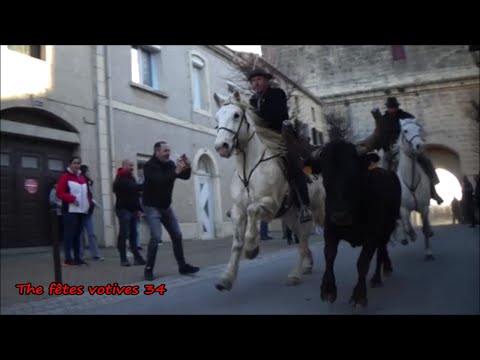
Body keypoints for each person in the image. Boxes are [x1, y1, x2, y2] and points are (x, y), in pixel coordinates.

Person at [248, 68, 312, 223]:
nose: (256, 83)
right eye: (253, 81)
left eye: (259, 79)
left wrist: (256, 115)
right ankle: (244, 199)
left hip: (280, 135)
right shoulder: (251, 101)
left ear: (266, 81)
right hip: (262, 138)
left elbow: (276, 115)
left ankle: (304, 205)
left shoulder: (277, 94)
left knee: (293, 162)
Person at [357, 97, 443, 205]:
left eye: (394, 107)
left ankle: (433, 191)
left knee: (426, 161)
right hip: (390, 150)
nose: (392, 109)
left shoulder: (407, 117)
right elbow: (377, 135)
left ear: (397, 107)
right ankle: (386, 196)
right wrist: (368, 146)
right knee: (384, 168)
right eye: (390, 108)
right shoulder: (383, 121)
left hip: (408, 149)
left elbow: (415, 129)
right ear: (388, 108)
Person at [143, 141, 199, 281]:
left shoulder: (169, 165)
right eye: (165, 151)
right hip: (152, 207)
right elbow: (160, 182)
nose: (168, 153)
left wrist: (187, 167)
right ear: (157, 152)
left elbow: (184, 177)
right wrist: (176, 171)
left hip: (166, 207)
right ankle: (148, 269)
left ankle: (182, 266)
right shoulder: (149, 166)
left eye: (169, 150)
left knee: (177, 235)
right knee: (156, 237)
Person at [56, 156, 91, 266]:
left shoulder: (82, 178)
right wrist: (72, 199)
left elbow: (87, 193)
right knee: (69, 235)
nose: (77, 165)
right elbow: (59, 192)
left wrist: (89, 202)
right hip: (70, 210)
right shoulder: (65, 177)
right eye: (74, 163)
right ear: (70, 164)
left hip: (82, 210)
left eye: (78, 163)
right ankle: (68, 258)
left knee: (78, 235)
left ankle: (77, 257)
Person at [113, 159, 146, 266]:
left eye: (133, 166)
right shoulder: (120, 178)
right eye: (130, 165)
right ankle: (123, 258)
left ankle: (137, 257)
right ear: (124, 166)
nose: (132, 167)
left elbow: (135, 195)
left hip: (132, 210)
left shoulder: (131, 177)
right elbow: (133, 188)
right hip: (123, 209)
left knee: (133, 234)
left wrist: (139, 209)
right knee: (124, 233)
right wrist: (146, 185)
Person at [79, 164, 104, 261]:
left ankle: (95, 254)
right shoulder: (81, 182)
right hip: (81, 211)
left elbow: (90, 196)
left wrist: (94, 203)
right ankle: (80, 255)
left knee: (91, 233)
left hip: (88, 212)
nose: (89, 173)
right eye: (88, 171)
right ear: (84, 172)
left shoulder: (89, 182)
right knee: (80, 234)